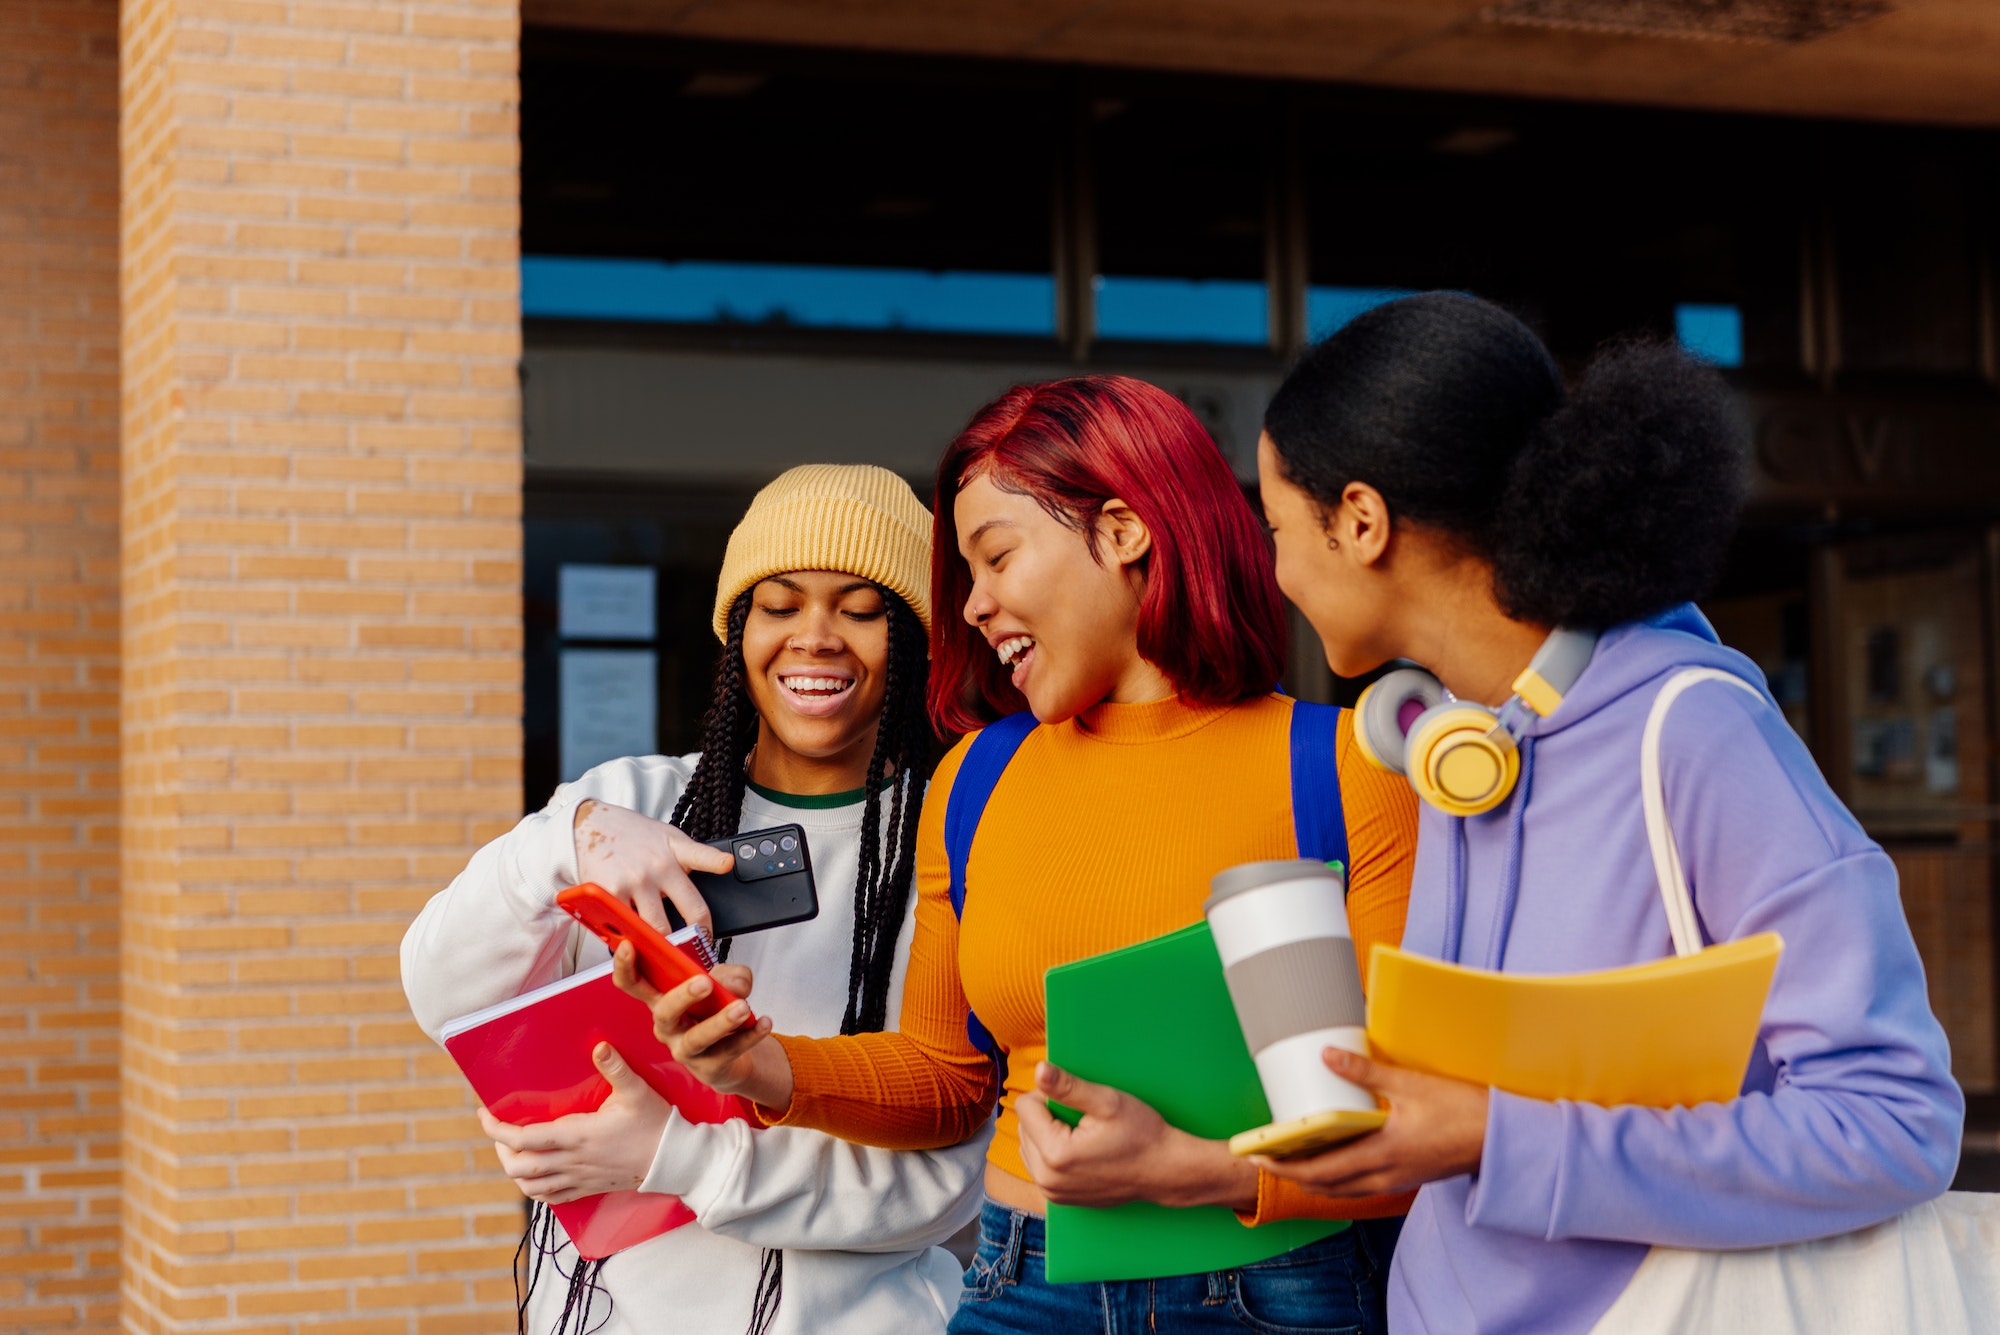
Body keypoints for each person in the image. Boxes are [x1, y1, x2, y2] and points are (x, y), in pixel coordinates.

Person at [624, 376, 1420, 1334]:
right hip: (1021, 1285)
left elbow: (1412, 1118)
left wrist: (1203, 1171)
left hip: (1282, 1289)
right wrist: (762, 1066)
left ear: (1125, 530)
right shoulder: (975, 782)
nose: (974, 606)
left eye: (997, 557)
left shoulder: (1345, 770)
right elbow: (949, 1079)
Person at [1250, 292, 1964, 1334]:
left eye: (1277, 530)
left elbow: (1894, 1124)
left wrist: (1499, 1139)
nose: (1276, 573)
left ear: (1358, 521)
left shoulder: (1693, 729)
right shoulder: (1459, 747)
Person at [400, 465, 986, 1335]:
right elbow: (440, 989)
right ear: (737, 630)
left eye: (861, 609)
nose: (815, 637)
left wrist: (681, 1159)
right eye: (779, 605)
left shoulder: (944, 843)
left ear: (916, 638)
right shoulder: (630, 796)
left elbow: (943, 1184)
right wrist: (566, 840)